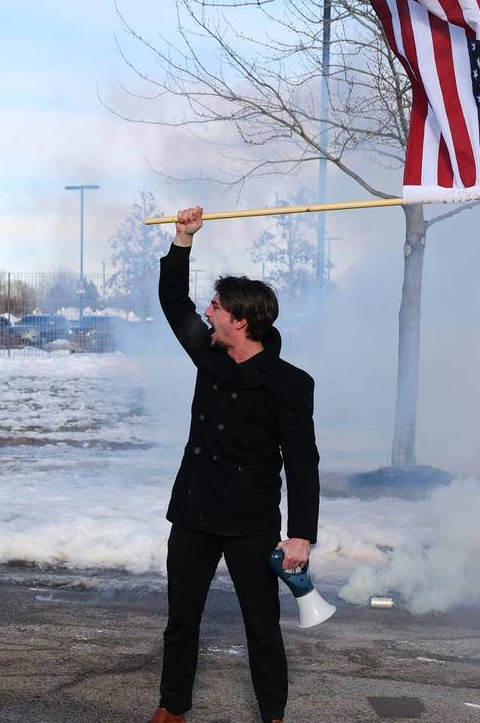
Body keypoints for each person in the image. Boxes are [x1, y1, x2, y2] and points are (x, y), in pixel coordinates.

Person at [149, 206, 320, 723]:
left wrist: (301, 535)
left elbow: (303, 462)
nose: (208, 311)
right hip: (195, 512)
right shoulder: (209, 354)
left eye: (217, 306)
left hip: (250, 522)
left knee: (262, 627)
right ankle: (171, 709)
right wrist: (183, 239)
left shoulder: (290, 383)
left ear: (240, 320)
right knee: (181, 621)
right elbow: (173, 301)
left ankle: (273, 715)